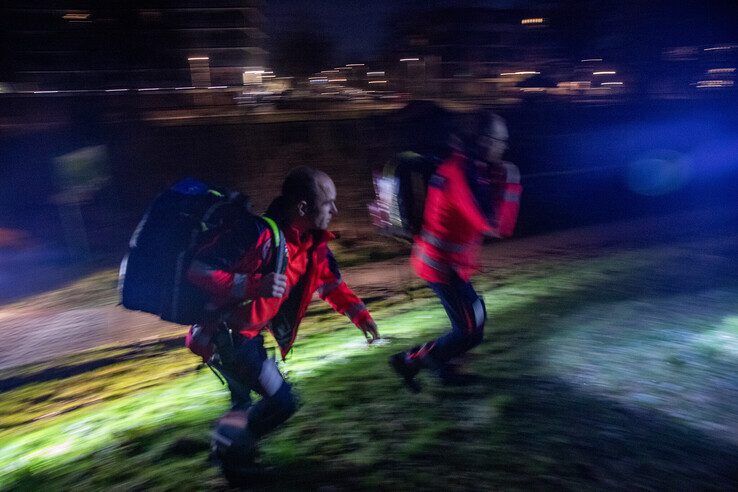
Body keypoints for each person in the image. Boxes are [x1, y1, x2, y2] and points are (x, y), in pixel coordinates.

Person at [187, 166, 380, 475]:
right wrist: (253, 286)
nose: (335, 209)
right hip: (226, 337)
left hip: (245, 335)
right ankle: (235, 464)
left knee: (244, 404)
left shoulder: (312, 245)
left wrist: (361, 316)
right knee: (282, 402)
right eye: (328, 202)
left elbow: (329, 284)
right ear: (303, 207)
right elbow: (199, 270)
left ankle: (227, 449)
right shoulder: (258, 234)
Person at [389, 110, 511, 392]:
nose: (504, 146)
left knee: (474, 320)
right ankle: (415, 361)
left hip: (447, 264)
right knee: (469, 328)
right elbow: (493, 224)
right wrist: (511, 184)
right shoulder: (461, 172)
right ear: (483, 140)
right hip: (440, 266)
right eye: (500, 140)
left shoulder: (469, 167)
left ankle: (421, 364)